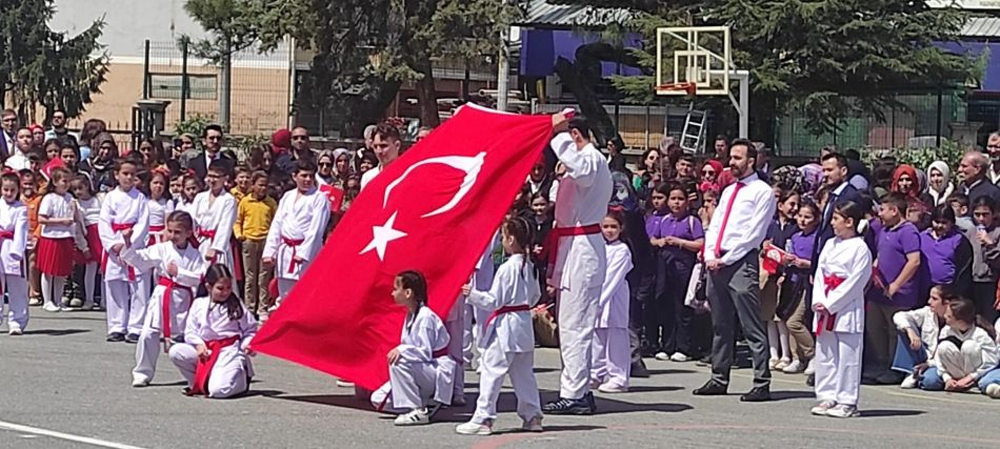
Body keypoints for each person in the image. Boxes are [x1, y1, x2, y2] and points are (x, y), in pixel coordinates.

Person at [693, 138, 777, 402]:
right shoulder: (729, 190)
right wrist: (710, 255)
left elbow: (754, 234)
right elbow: (716, 225)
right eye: (731, 157)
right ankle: (719, 377)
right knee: (720, 324)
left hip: (739, 262)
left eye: (738, 158)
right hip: (717, 261)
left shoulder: (762, 191)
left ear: (751, 161)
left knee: (751, 324)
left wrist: (727, 259)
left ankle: (761, 381)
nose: (732, 162)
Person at [540, 114, 613, 415]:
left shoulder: (590, 159)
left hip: (583, 247)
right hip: (573, 245)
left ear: (575, 136)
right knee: (570, 324)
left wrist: (558, 135)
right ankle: (577, 389)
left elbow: (581, 172)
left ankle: (575, 394)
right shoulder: (582, 162)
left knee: (576, 325)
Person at [456, 218, 543, 435]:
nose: (502, 241)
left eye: (503, 237)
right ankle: (533, 416)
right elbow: (535, 296)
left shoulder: (507, 268)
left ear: (511, 239)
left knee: (491, 372)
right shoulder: (530, 267)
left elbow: (494, 301)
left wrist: (472, 294)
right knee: (524, 374)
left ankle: (483, 418)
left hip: (506, 326)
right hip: (523, 324)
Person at [121, 211, 209, 387]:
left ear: (189, 233)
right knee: (148, 334)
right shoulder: (161, 248)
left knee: (190, 337)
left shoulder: (195, 254)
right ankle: (142, 373)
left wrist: (179, 273)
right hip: (162, 296)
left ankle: (199, 372)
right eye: (170, 231)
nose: (172, 235)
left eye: (178, 232)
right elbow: (140, 259)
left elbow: (200, 277)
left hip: (184, 299)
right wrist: (128, 242)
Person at [810, 200, 872, 418]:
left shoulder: (860, 248)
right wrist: (819, 300)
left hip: (846, 307)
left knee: (848, 356)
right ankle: (827, 395)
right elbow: (820, 273)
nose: (832, 223)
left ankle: (847, 400)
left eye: (836, 219)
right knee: (826, 353)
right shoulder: (830, 244)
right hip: (825, 301)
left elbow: (856, 282)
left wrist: (831, 303)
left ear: (849, 222)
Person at [370, 270, 455, 426]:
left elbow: (425, 353)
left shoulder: (425, 317)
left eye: (396, 289)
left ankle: (417, 410)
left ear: (408, 293)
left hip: (436, 371)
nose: (392, 293)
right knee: (378, 399)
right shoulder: (411, 315)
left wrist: (402, 350)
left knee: (398, 361)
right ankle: (424, 402)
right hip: (422, 370)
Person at [169, 264, 258, 398]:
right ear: (209, 287)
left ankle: (241, 380)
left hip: (228, 351)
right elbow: (190, 331)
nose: (225, 292)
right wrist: (198, 344)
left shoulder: (236, 305)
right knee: (176, 351)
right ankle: (198, 382)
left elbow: (250, 329)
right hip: (207, 350)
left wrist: (247, 344)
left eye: (228, 288)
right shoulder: (199, 303)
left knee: (219, 391)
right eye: (220, 288)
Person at [867, 193, 922, 384]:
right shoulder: (884, 230)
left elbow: (914, 261)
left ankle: (895, 368)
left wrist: (896, 284)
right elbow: (881, 255)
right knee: (875, 328)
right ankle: (881, 364)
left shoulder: (908, 231)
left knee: (894, 331)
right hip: (878, 290)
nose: (880, 214)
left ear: (894, 210)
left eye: (883, 210)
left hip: (899, 293)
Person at [647, 182, 704, 362]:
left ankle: (683, 347)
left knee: (682, 307)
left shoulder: (692, 221)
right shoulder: (664, 220)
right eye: (673, 199)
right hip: (665, 266)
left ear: (687, 202)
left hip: (683, 267)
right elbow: (652, 238)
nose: (676, 203)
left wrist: (680, 242)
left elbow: (700, 244)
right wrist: (660, 242)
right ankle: (667, 345)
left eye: (680, 199)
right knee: (665, 305)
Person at [262, 159, 330, 308]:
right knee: (284, 295)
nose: (308, 180)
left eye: (311, 176)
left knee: (304, 294)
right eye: (304, 176)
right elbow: (277, 225)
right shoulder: (287, 196)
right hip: (285, 251)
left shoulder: (319, 198)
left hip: (305, 253)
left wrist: (303, 253)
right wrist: (270, 252)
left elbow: (316, 230)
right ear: (294, 176)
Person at [99, 159, 150, 342]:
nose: (128, 177)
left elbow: (143, 224)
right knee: (115, 285)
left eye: (132, 174)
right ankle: (117, 325)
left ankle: (136, 327)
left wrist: (128, 245)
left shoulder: (140, 198)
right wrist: (114, 245)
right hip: (114, 246)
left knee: (139, 287)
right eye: (125, 173)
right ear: (116, 175)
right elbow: (103, 222)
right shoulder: (110, 197)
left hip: (133, 247)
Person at [590, 212, 634, 393]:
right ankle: (596, 373)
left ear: (621, 228)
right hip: (598, 296)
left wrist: (599, 301)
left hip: (614, 297)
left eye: (613, 227)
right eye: (606, 226)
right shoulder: (600, 247)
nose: (609, 230)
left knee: (616, 337)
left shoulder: (622, 250)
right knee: (597, 336)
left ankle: (618, 377)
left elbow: (612, 278)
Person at [919, 298, 999, 394]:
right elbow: (939, 358)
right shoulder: (946, 331)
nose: (944, 316)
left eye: (949, 316)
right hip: (953, 371)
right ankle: (954, 383)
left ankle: (974, 384)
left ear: (960, 321)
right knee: (943, 348)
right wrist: (947, 378)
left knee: (969, 346)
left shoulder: (980, 334)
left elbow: (991, 361)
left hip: (975, 373)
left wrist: (971, 377)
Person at [779, 199, 819, 375]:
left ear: (816, 219)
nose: (802, 220)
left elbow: (820, 262)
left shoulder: (817, 238)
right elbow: (789, 257)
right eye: (800, 216)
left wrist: (806, 264)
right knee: (788, 317)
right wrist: (787, 260)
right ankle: (797, 357)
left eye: (807, 217)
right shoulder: (795, 237)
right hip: (793, 282)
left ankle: (813, 354)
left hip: (806, 283)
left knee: (794, 321)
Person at [892, 285, 954, 389]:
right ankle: (911, 371)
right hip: (925, 355)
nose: (929, 301)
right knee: (903, 327)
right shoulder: (927, 312)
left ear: (946, 303)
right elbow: (899, 315)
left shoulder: (955, 321)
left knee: (930, 382)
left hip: (939, 363)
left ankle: (922, 375)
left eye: (934, 299)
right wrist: (910, 331)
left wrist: (928, 365)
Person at [37, 166, 80, 313]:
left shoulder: (70, 198)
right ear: (55, 182)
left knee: (62, 271)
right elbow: (41, 219)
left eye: (68, 181)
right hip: (51, 237)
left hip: (66, 237)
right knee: (48, 270)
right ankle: (47, 300)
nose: (67, 184)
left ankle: (58, 300)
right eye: (63, 181)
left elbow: (75, 219)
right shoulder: (49, 198)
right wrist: (60, 221)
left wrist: (75, 210)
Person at [236, 171, 278, 319]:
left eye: (265, 185)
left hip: (265, 241)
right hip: (249, 241)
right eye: (260, 185)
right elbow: (238, 221)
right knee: (250, 277)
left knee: (263, 278)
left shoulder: (271, 203)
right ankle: (249, 307)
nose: (263, 188)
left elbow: (276, 222)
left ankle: (263, 307)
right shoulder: (245, 202)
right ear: (253, 185)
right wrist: (240, 235)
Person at [191, 160, 238, 285]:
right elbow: (192, 219)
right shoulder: (200, 197)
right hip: (199, 242)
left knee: (218, 280)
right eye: (210, 176)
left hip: (216, 245)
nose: (212, 180)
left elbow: (225, 226)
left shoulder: (228, 200)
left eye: (216, 177)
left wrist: (215, 248)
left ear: (225, 178)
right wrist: (191, 239)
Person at [813, 153, 863, 266]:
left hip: (839, 260)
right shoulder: (832, 195)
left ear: (843, 171)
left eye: (830, 170)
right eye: (823, 170)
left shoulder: (851, 196)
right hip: (824, 256)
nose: (825, 174)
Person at [920, 204, 973, 298]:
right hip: (923, 287)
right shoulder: (922, 237)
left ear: (952, 222)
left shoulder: (959, 240)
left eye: (944, 222)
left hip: (947, 289)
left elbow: (964, 269)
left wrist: (958, 291)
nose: (940, 226)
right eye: (937, 222)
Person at [0, 172, 29, 334]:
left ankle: (17, 320)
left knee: (17, 288)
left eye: (12, 190)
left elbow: (21, 230)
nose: (9, 193)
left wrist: (17, 251)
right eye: (6, 189)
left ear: (18, 190)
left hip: (11, 247)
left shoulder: (21, 208)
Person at [968, 196, 1000, 323]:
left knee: (989, 319)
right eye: (977, 214)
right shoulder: (971, 232)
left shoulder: (997, 232)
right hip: (973, 282)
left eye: (985, 214)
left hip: (991, 282)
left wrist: (989, 243)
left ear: (993, 214)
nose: (981, 219)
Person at [72, 175, 101, 310]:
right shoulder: (76, 204)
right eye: (75, 189)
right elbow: (77, 227)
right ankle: (89, 299)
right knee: (90, 269)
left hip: (101, 233)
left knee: (105, 270)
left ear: (87, 186)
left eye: (80, 188)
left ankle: (105, 300)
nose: (78, 191)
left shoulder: (99, 199)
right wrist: (84, 247)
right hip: (89, 235)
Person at [360, 123, 402, 191]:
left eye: (383, 146)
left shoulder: (408, 175)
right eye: (375, 146)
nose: (379, 151)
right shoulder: (368, 177)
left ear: (397, 145)